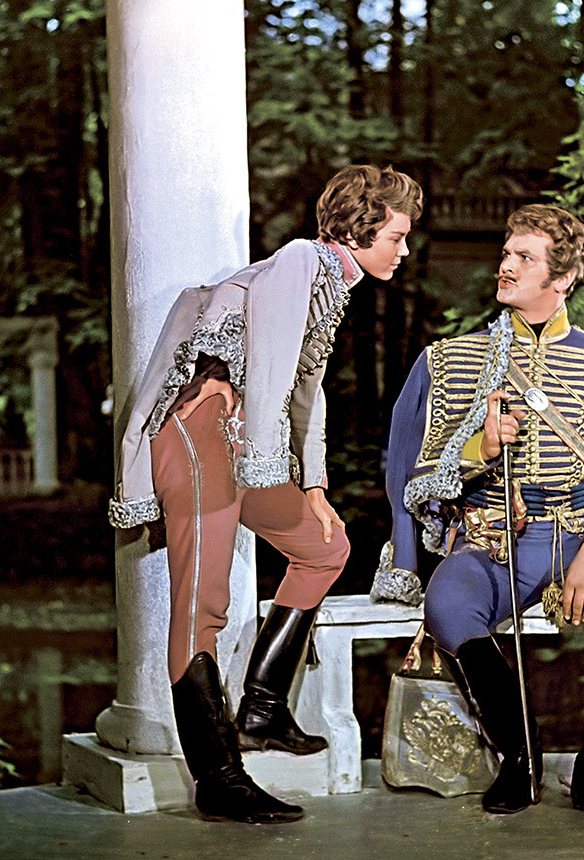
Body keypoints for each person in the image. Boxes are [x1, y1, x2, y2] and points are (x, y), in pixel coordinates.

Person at [109, 165, 423, 824]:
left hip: (243, 443)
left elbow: (306, 392)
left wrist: (314, 485)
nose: (403, 249)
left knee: (325, 548)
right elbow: (274, 374)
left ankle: (262, 708)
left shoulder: (332, 285)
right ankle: (218, 777)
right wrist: (265, 462)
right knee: (203, 603)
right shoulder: (301, 261)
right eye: (396, 236)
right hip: (200, 431)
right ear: (358, 230)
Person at [373, 203, 584, 824]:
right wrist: (480, 449)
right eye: (506, 253)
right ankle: (519, 759)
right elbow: (408, 474)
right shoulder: (447, 360)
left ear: (564, 277)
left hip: (580, 537)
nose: (507, 265)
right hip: (493, 545)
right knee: (448, 602)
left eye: (525, 257)